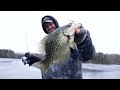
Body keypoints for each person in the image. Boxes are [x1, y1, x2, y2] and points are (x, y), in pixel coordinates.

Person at [22, 15, 96, 79]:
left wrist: (84, 40)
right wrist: (34, 59)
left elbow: (87, 56)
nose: (49, 27)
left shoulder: (74, 40)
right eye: (46, 26)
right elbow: (50, 59)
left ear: (55, 23)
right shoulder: (49, 44)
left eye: (51, 24)